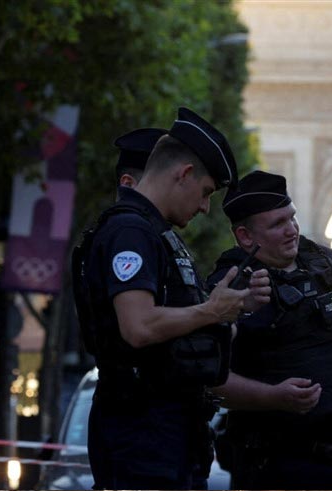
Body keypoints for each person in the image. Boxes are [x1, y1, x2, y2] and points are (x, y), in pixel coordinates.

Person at [72, 107, 271, 490]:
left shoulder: (156, 235)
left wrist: (229, 309)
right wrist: (211, 310)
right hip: (142, 434)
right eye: (206, 191)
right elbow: (138, 326)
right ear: (183, 174)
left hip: (169, 435)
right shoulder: (130, 232)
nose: (205, 207)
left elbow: (177, 326)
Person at [206, 170, 332, 490]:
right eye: (277, 224)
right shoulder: (230, 284)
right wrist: (272, 397)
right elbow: (209, 376)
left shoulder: (325, 260)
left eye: (292, 217)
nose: (292, 230)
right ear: (245, 236)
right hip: (284, 467)